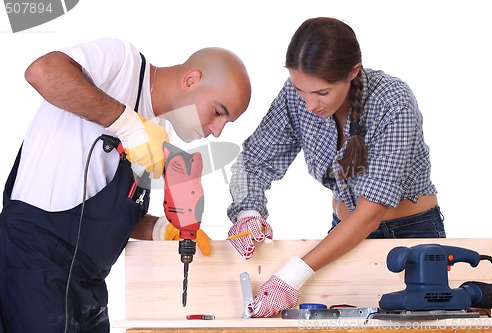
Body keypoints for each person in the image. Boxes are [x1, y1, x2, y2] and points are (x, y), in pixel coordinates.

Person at [0, 38, 251, 332]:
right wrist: (128, 125)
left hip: (89, 286)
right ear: (192, 80)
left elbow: (108, 216)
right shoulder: (123, 64)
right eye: (219, 112)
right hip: (35, 262)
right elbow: (43, 72)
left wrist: (163, 229)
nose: (217, 130)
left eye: (226, 123)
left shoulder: (159, 134)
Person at [226, 17, 445, 318]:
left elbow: (369, 215)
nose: (308, 105)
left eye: (322, 93)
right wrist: (248, 211)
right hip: (341, 234)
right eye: (301, 89)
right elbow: (253, 161)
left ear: (353, 72)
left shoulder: (394, 103)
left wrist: (290, 276)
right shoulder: (296, 94)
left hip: (408, 235)